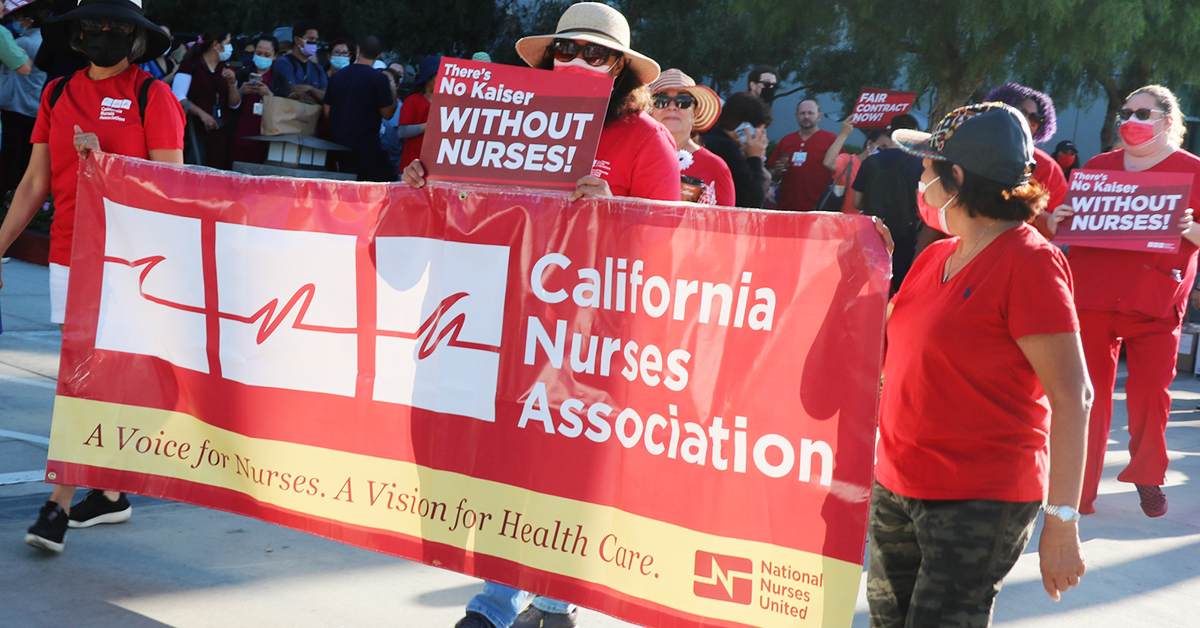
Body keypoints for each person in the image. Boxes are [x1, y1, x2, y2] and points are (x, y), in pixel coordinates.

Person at [402, 3, 678, 626]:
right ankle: (498, 599)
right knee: (509, 460)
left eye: (597, 54)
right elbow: (464, 211)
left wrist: (617, 209)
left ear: (622, 73)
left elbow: (671, 242)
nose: (578, 62)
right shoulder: (505, 120)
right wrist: (427, 179)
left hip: (592, 334)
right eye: (567, 50)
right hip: (509, 319)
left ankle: (551, 602)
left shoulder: (644, 138)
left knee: (565, 466)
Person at [872, 102, 1090, 626]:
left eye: (927, 166)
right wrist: (865, 266)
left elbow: (1072, 396)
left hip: (976, 499)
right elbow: (889, 353)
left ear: (958, 177)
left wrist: (1061, 521)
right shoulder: (933, 257)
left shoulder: (1029, 262)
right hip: (897, 484)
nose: (919, 176)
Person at [0, 0, 184, 553]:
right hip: (68, 255)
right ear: (77, 35)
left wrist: (107, 166)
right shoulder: (56, 93)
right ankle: (106, 493)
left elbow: (172, 191)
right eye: (94, 27)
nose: (105, 36)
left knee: (81, 378)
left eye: (118, 29)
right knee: (90, 376)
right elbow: (34, 183)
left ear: (137, 39)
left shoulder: (153, 96)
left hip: (130, 262)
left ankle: (57, 505)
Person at [1047, 85, 1200, 518]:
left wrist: (1190, 229)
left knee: (1151, 393)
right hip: (1092, 296)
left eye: (1143, 113)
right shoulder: (1099, 166)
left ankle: (1148, 475)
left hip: (1155, 301)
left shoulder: (1194, 171)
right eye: (1127, 111)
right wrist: (1058, 220)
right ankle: (1078, 491)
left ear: (1168, 120)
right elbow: (1071, 231)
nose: (1131, 119)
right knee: (1084, 398)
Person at [985, 83, 1069, 240]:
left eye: (1036, 118)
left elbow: (1059, 229)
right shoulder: (972, 149)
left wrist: (1024, 203)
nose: (1027, 121)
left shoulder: (1047, 167)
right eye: (1021, 112)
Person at [852, 114, 923, 293]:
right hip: (904, 233)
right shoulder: (917, 163)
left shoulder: (870, 162)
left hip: (873, 232)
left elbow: (856, 202)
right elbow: (920, 203)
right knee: (900, 285)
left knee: (868, 284)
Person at [648, 68, 733, 206]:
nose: (672, 107)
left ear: (695, 113)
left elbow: (725, 225)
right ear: (650, 111)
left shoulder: (715, 168)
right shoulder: (633, 159)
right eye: (661, 100)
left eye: (683, 101)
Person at [324, 35, 395, 181]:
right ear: (379, 55)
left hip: (339, 147)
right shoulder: (379, 79)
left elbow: (327, 112)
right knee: (385, 185)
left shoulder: (337, 77)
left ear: (357, 50)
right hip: (367, 148)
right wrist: (392, 90)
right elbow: (388, 114)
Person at [172, 25, 239, 169]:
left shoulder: (226, 68)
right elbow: (177, 96)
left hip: (219, 135)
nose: (230, 48)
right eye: (227, 43)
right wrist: (202, 114)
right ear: (216, 44)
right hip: (194, 133)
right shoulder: (190, 65)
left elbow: (234, 104)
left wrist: (232, 84)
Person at [0, 0, 47, 196]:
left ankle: (7, 196)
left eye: (18, 18)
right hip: (35, 107)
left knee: (9, 158)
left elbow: (24, 67)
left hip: (14, 107)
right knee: (27, 158)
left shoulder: (20, 41)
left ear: (28, 21)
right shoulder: (47, 41)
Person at [701, 91, 771, 208]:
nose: (763, 138)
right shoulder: (725, 147)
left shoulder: (708, 140)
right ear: (744, 128)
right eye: (759, 132)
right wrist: (755, 158)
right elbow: (752, 201)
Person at [768, 99, 838, 211]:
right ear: (796, 116)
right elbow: (772, 174)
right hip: (786, 208)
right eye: (802, 113)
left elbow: (842, 173)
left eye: (810, 113)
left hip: (818, 210)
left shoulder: (832, 140)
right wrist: (777, 172)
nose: (806, 116)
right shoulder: (786, 140)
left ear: (819, 116)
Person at [229, 33, 276, 165]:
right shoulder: (241, 74)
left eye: (267, 55)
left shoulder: (279, 79)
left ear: (274, 56)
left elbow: (284, 108)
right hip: (240, 136)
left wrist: (268, 94)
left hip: (266, 140)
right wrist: (240, 91)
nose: (262, 57)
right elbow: (231, 104)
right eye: (259, 53)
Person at [395, 54, 438, 171]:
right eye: (438, 75)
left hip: (436, 166)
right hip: (412, 167)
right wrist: (426, 126)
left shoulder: (449, 102)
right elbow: (402, 132)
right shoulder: (413, 100)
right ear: (428, 78)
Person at [820, 116, 867, 214]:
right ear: (870, 143)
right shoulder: (848, 161)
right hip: (844, 224)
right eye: (882, 146)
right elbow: (828, 163)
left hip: (872, 226)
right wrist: (844, 133)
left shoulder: (887, 168)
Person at [272, 21, 326, 103]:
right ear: (297, 40)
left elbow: (327, 96)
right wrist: (318, 100)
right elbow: (293, 92)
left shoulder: (318, 68)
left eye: (316, 40)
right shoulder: (283, 63)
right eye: (311, 39)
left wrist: (310, 89)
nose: (314, 43)